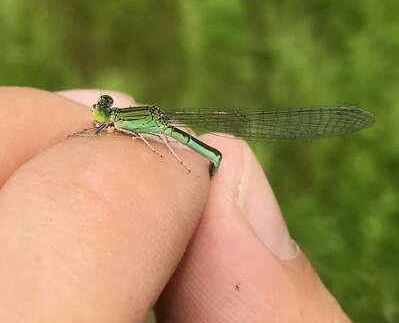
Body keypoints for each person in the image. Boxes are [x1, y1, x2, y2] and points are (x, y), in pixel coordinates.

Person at [0, 87, 351, 322]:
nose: (101, 116)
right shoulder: (119, 121)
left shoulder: (126, 122)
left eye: (104, 112)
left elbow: (155, 141)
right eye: (102, 111)